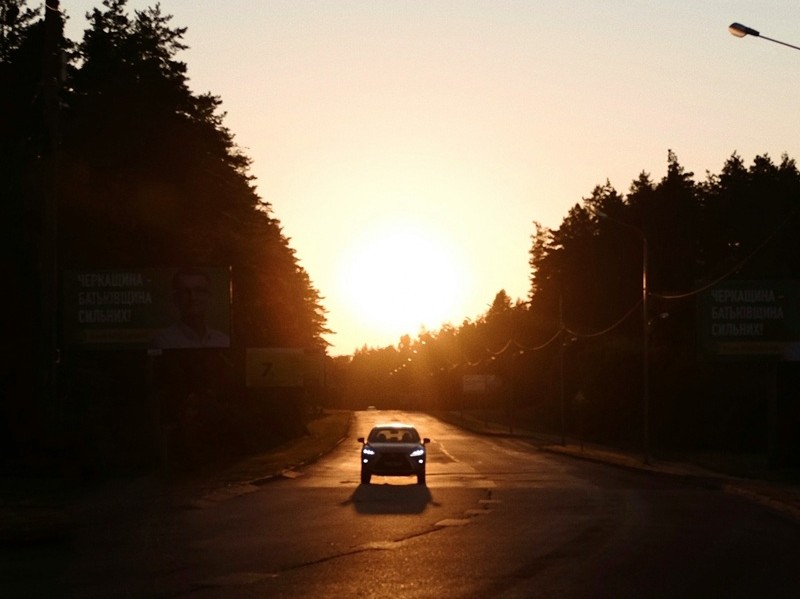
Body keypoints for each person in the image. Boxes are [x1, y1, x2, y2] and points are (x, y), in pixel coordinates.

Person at [151, 268, 230, 349]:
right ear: (176, 299)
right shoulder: (164, 341)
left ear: (209, 296)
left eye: (198, 290)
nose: (193, 297)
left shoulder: (223, 340)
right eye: (185, 292)